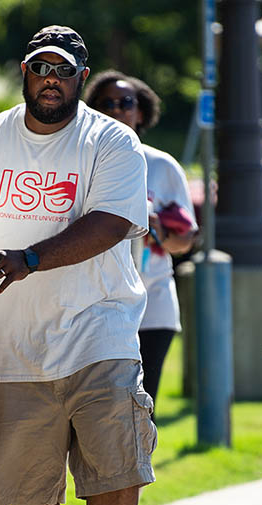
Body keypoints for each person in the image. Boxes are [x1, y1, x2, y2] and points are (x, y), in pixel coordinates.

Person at [0, 25, 154, 505]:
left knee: (115, 466)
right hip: (12, 341)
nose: (50, 78)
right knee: (33, 480)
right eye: (39, 67)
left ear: (82, 78)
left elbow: (109, 223)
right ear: (24, 72)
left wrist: (27, 258)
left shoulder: (112, 141)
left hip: (98, 330)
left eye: (63, 69)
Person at [85, 71, 198, 412]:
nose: (117, 110)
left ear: (142, 111)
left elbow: (186, 241)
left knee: (142, 407)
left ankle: (143, 467)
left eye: (126, 102)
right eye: (107, 104)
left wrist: (156, 229)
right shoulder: (82, 160)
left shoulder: (162, 166)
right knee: (100, 409)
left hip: (154, 306)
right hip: (95, 305)